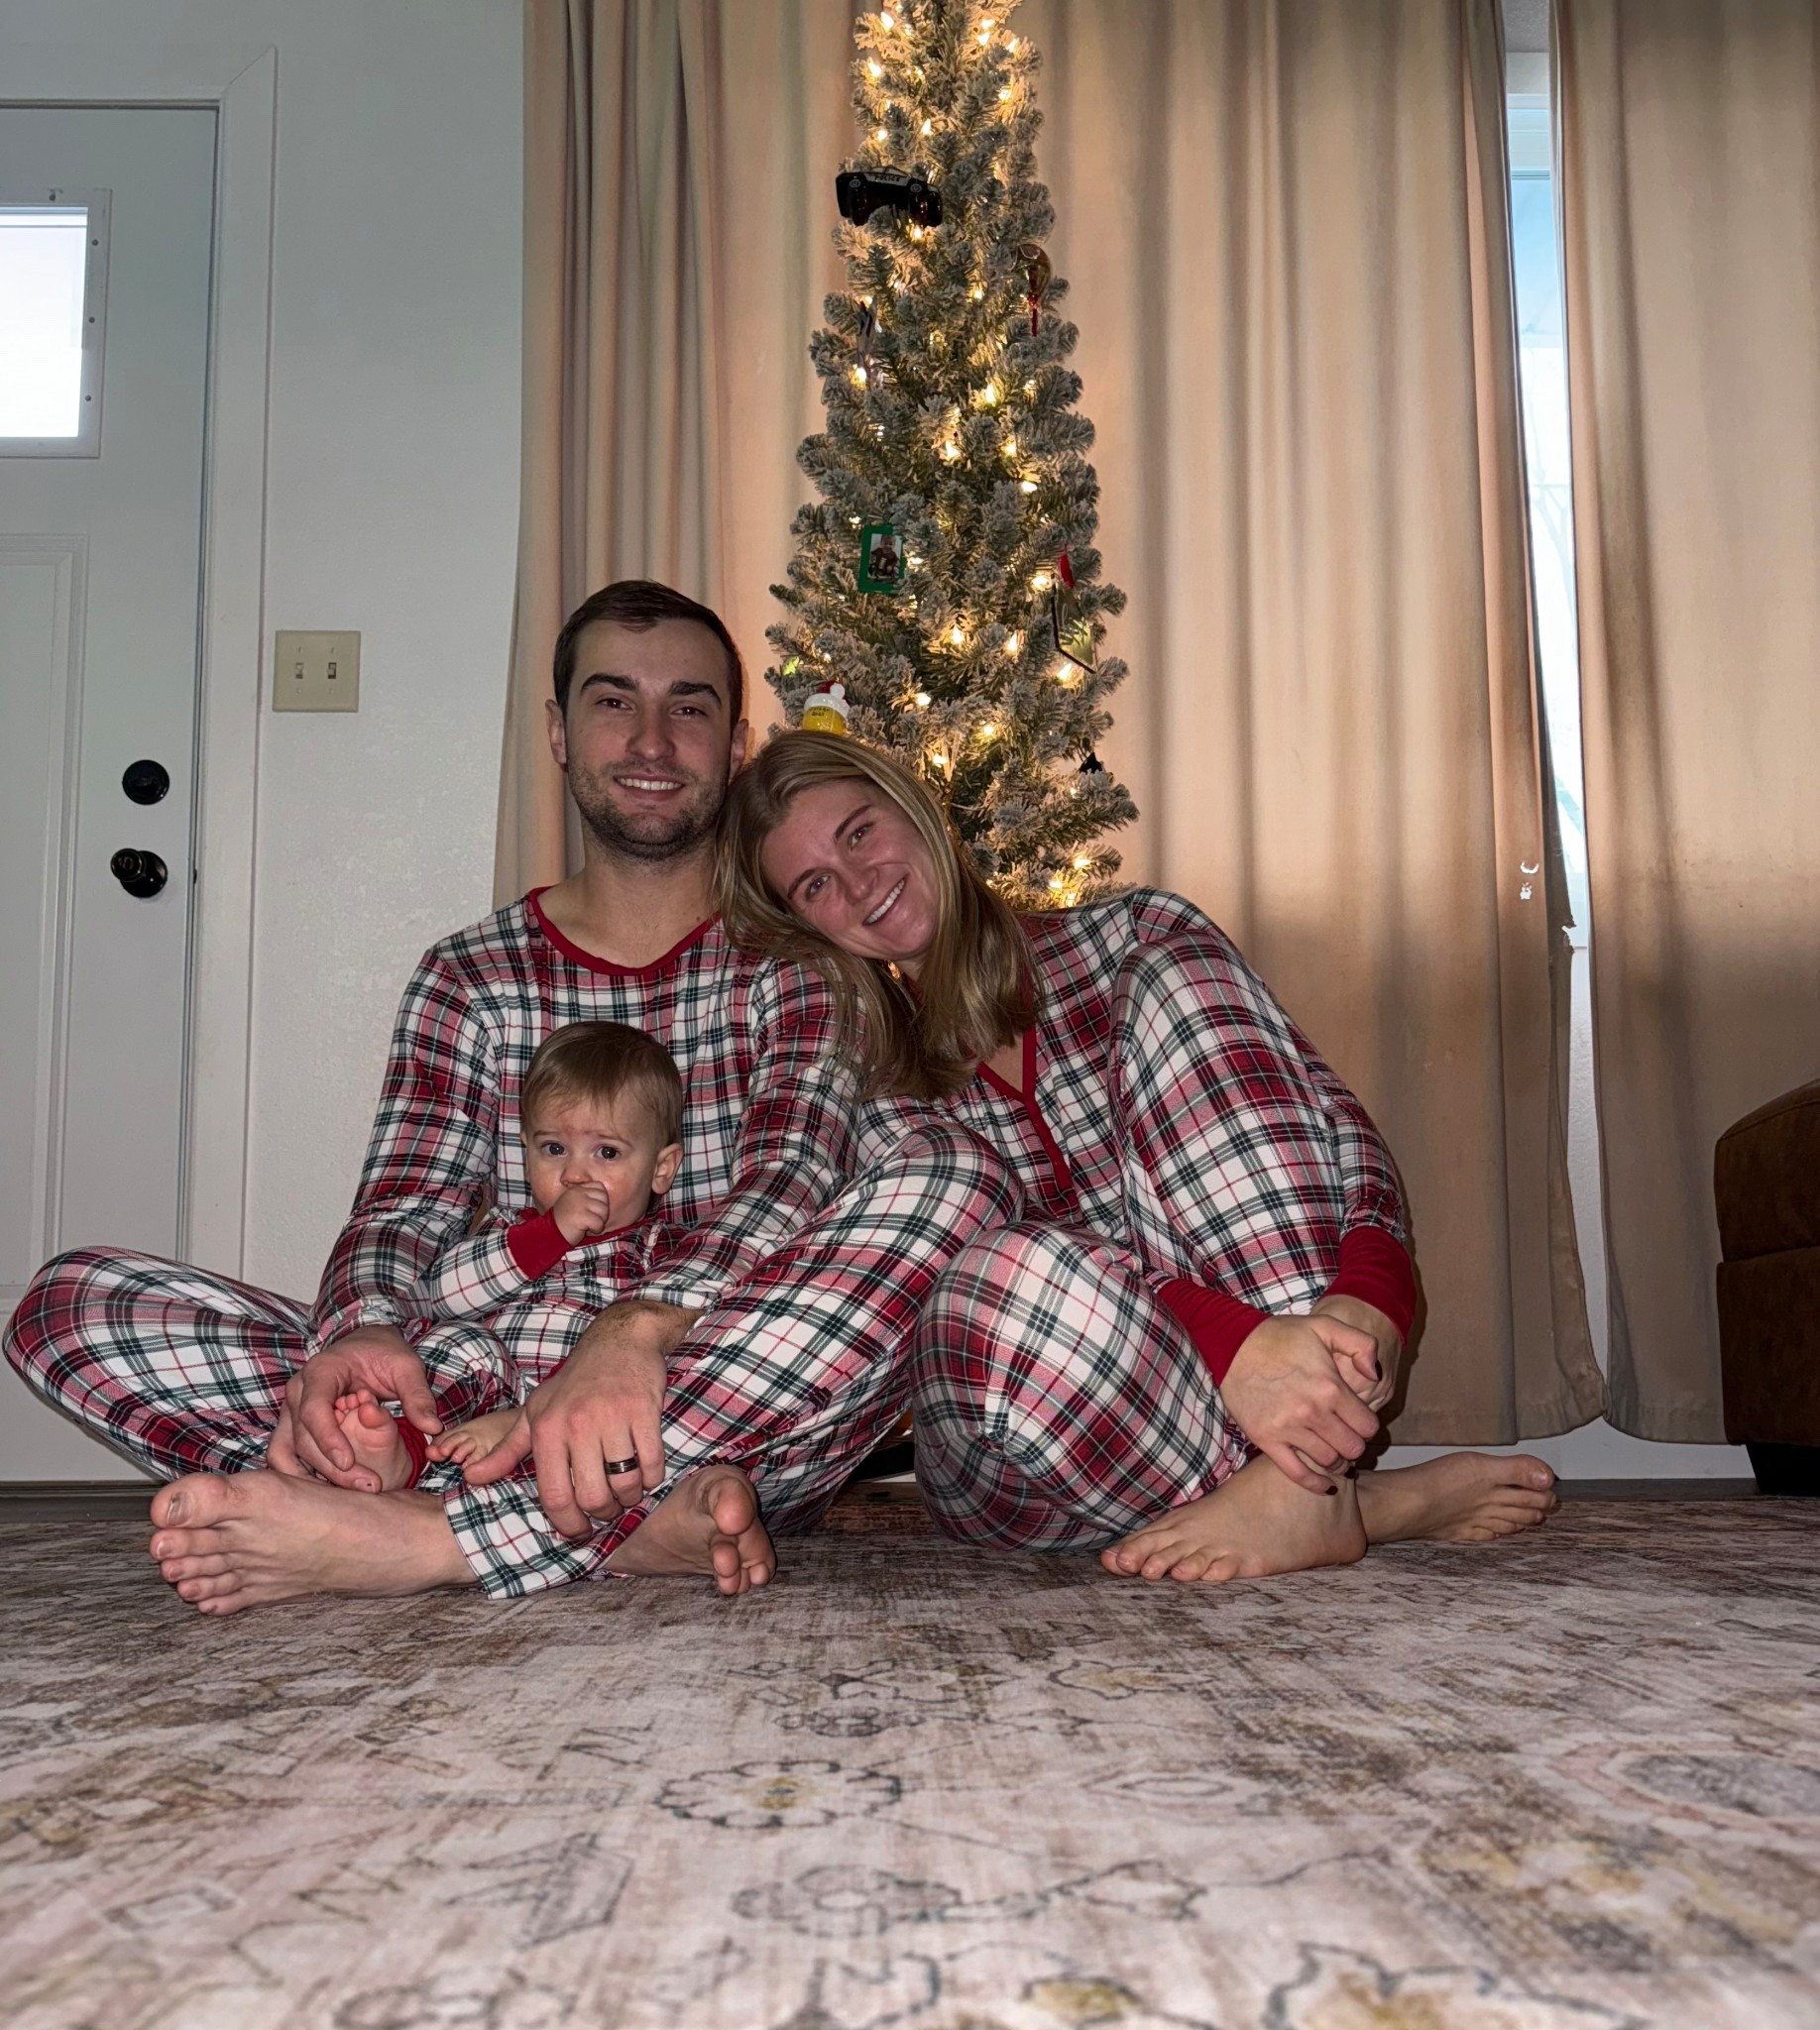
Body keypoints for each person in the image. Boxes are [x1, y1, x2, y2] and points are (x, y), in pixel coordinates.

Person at [4, 583, 1019, 1612]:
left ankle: (442, 1533)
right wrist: (360, 1334)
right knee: (68, 1305)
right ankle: (622, 1529)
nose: (654, 739)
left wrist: (632, 1332)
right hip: (479, 1386)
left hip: (712, 1386)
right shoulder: (468, 973)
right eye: (614, 701)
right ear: (559, 732)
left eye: (692, 706)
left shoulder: (799, 963)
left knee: (954, 1179)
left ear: (735, 742)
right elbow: (408, 1204)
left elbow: (791, 1183)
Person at [717, 731, 1559, 1583]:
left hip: (1272, 1365)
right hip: (1022, 1438)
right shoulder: (875, 1081)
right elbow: (1018, 1293)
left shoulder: (1136, 934)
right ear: (805, 925)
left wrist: (1363, 1305)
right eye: (816, 884)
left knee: (1172, 976)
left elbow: (1333, 1127)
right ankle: (1345, 1498)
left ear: (915, 809)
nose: (859, 884)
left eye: (859, 832)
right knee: (1004, 1274)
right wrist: (1233, 1345)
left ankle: (1297, 1482)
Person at [328, 1019, 688, 1492]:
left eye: (607, 1152)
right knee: (457, 1343)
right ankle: (405, 1452)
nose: (575, 1174)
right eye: (554, 1148)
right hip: (482, 1396)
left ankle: (524, 1435)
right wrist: (546, 1236)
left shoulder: (665, 1251)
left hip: (584, 1416)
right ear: (525, 1152)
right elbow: (433, 1298)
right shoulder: (507, 1231)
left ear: (661, 1169)